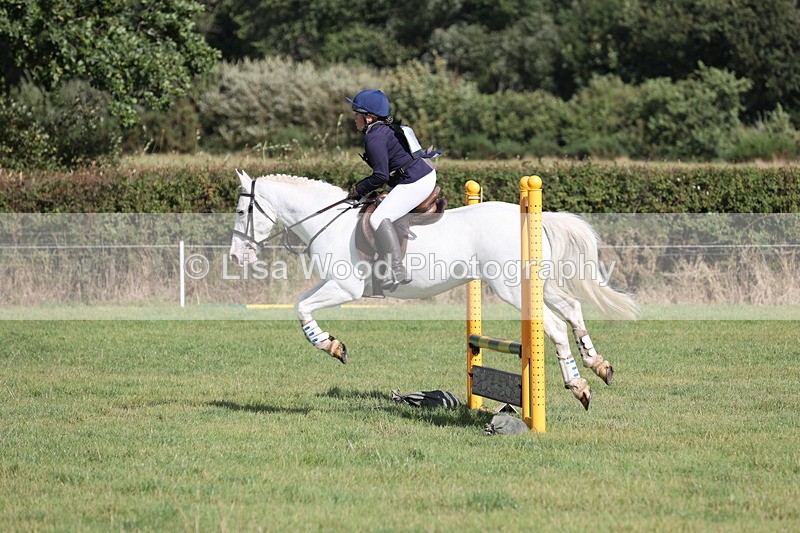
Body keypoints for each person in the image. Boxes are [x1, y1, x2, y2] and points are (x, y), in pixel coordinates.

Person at [345, 89, 441, 291]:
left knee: (377, 218)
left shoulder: (375, 137)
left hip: (415, 181)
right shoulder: (381, 131)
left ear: (369, 117)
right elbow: (389, 173)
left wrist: (357, 189)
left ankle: (397, 270)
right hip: (408, 178)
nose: (354, 117)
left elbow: (380, 175)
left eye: (357, 113)